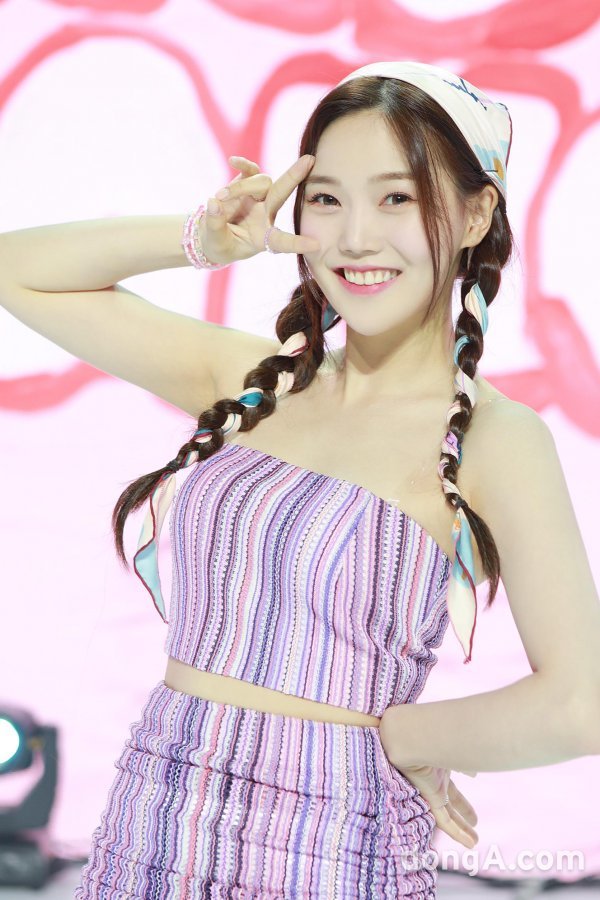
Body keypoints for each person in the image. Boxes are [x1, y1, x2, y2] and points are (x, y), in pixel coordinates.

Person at [1, 60, 598, 898]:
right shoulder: (253, 381)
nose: (355, 237)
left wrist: (410, 737)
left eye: (396, 198)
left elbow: (580, 701)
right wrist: (202, 239)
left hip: (329, 847)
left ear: (475, 214)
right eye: (326, 199)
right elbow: (15, 269)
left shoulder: (496, 439)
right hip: (150, 825)